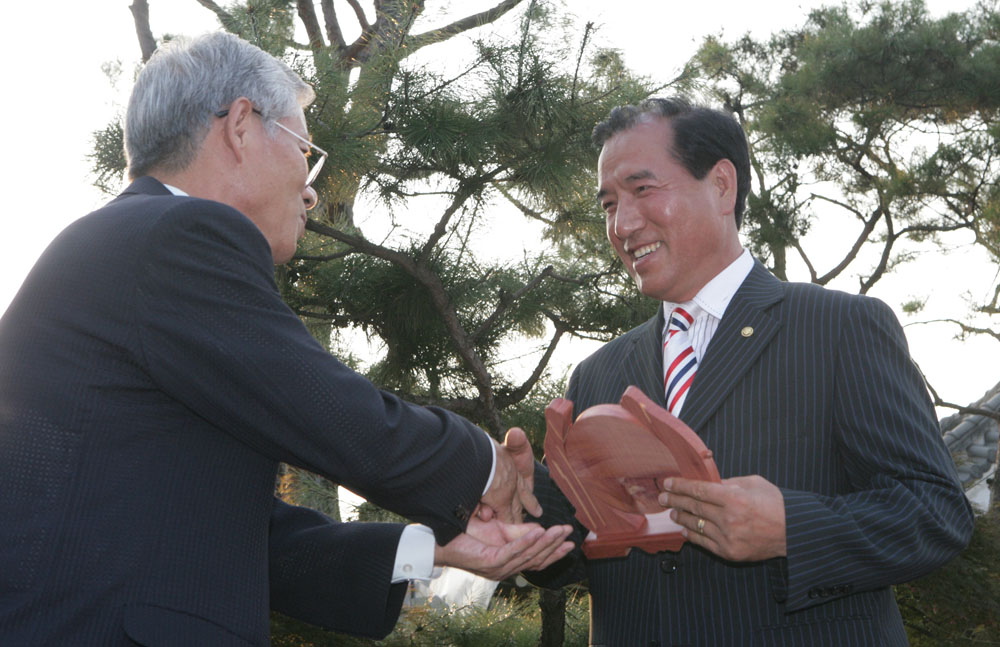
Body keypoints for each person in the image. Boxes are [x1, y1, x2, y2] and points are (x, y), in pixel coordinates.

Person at [0, 32, 572, 646]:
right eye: (305, 148)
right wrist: (485, 466)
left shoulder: (127, 247)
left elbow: (228, 533)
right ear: (242, 125)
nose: (310, 187)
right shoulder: (177, 233)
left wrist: (438, 547)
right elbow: (330, 410)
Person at [524, 96, 975, 646]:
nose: (622, 223)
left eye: (642, 190)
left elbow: (935, 512)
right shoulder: (595, 376)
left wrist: (791, 527)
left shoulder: (840, 327)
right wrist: (517, 509)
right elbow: (583, 550)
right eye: (609, 204)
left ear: (721, 186)